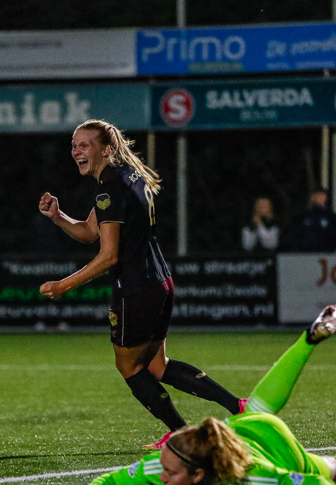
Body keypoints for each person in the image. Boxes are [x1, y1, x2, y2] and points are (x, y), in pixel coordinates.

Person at [38, 119, 244, 450]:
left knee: (129, 366)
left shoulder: (110, 187)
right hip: (160, 281)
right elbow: (91, 231)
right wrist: (59, 217)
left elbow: (108, 256)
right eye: (74, 145)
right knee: (156, 365)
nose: (76, 151)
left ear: (105, 148)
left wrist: (64, 285)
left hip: (136, 289)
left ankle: (179, 434)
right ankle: (238, 407)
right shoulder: (126, 176)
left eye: (84, 145)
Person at [88, 305, 336, 485]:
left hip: (274, 444)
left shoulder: (257, 477)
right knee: (260, 405)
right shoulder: (162, 467)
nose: (160, 477)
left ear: (199, 476)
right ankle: (308, 339)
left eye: (170, 475)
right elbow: (104, 482)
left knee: (332, 469)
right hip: (241, 428)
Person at [291, 187, 336, 252]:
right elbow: (297, 235)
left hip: (327, 254)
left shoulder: (332, 217)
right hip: (307, 255)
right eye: (317, 195)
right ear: (312, 197)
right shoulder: (304, 217)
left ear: (326, 197)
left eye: (322, 195)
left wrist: (331, 248)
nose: (319, 198)